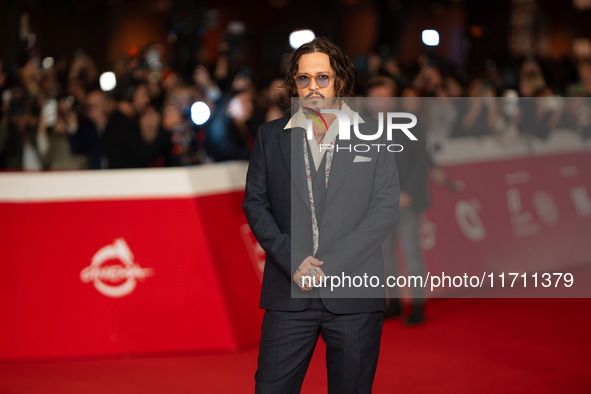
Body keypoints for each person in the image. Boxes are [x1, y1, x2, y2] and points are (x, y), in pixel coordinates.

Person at [243, 37, 399, 393]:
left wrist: (330, 264)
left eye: (322, 78)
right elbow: (255, 203)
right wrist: (293, 260)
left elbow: (384, 207)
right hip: (289, 290)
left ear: (340, 81)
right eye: (303, 78)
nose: (312, 87)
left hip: (355, 292)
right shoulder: (271, 137)